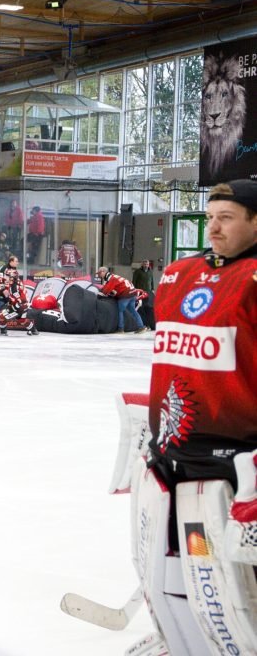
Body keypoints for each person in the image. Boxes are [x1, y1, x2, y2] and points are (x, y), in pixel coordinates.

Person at [129, 180, 257, 653]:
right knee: (172, 561)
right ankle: (184, 637)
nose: (213, 228)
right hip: (173, 448)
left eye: (227, 218)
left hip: (237, 457)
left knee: (237, 572)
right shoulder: (178, 274)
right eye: (209, 217)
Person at [97, 266, 146, 334]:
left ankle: (121, 329)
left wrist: (98, 295)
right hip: (133, 293)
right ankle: (141, 327)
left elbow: (105, 291)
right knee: (133, 311)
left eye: (99, 273)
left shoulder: (112, 279)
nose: (99, 275)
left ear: (103, 272)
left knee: (120, 311)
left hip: (125, 295)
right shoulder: (115, 276)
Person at [132, 259, 155, 330]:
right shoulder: (137, 271)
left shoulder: (150, 271)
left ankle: (149, 324)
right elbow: (134, 281)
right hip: (140, 292)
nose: (146, 265)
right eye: (145, 264)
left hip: (148, 292)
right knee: (141, 308)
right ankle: (143, 324)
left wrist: (153, 289)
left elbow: (152, 281)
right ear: (142, 264)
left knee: (148, 308)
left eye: (147, 264)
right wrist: (134, 290)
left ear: (149, 264)